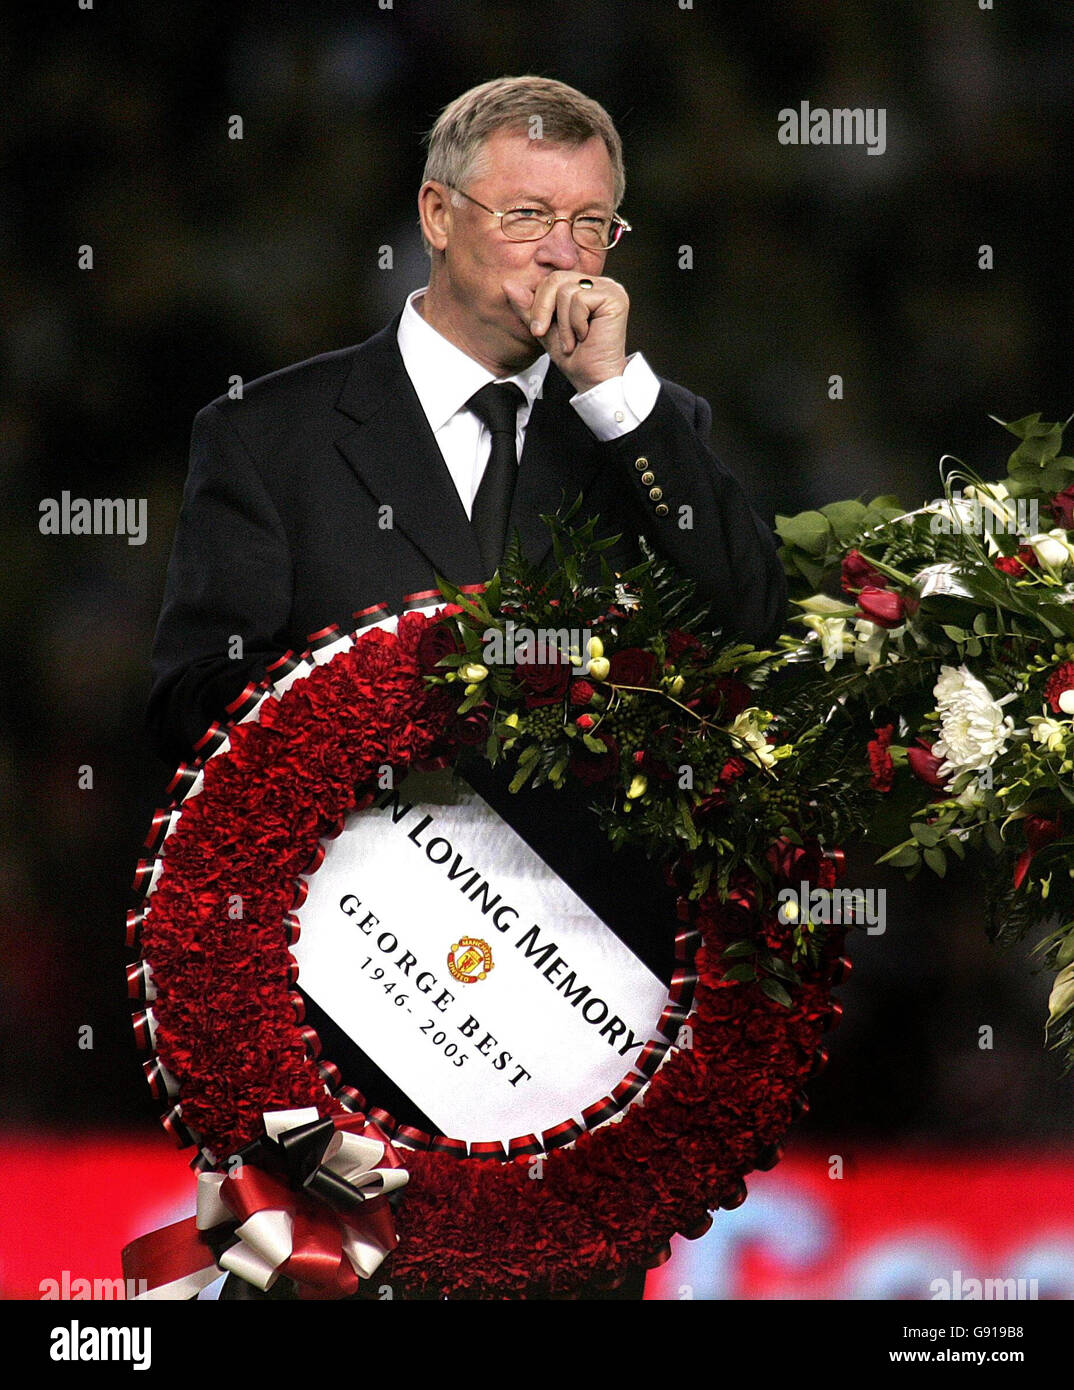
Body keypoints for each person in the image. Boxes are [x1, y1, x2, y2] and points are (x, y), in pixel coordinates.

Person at [147, 75, 788, 1301]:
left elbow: (752, 628)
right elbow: (192, 710)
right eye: (529, 216)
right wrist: (375, 721)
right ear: (437, 215)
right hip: (339, 1040)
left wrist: (616, 397)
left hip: (566, 1075)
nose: (566, 253)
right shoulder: (270, 437)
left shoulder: (646, 429)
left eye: (594, 224)